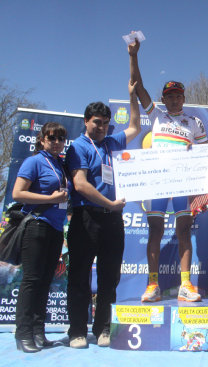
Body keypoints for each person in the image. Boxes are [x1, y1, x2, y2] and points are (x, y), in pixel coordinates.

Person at [128, 36, 208, 303]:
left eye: (178, 96)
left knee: (184, 231)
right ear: (164, 99)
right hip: (158, 183)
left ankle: (186, 285)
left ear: (184, 98)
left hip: (183, 182)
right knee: (155, 232)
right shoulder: (157, 116)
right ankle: (153, 286)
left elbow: (205, 155)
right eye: (169, 96)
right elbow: (138, 88)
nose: (174, 100)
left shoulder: (195, 122)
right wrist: (133, 55)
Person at [66, 81, 141, 348]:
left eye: (106, 123)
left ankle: (103, 329)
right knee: (79, 275)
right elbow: (81, 185)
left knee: (110, 277)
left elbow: (135, 127)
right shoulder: (78, 147)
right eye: (97, 122)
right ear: (86, 122)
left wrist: (132, 97)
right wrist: (109, 204)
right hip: (86, 218)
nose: (102, 127)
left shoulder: (111, 142)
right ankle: (76, 330)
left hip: (112, 221)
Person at [12, 123, 69, 353]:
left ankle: (38, 331)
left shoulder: (60, 165)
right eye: (52, 137)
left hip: (55, 229)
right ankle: (23, 333)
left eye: (61, 138)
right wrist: (49, 199)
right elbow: (17, 193)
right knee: (32, 281)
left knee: (46, 281)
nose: (56, 142)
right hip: (36, 225)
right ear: (42, 139)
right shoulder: (34, 161)